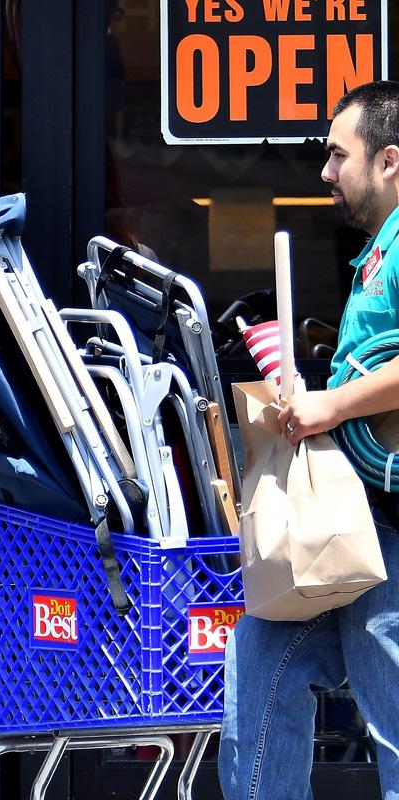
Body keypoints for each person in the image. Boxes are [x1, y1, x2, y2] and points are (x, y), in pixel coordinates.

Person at [220, 80, 399, 799]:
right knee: (260, 661)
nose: (324, 172)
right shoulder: (375, 254)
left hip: (388, 530)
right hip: (359, 528)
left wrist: (329, 405)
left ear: (390, 161)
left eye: (336, 155)